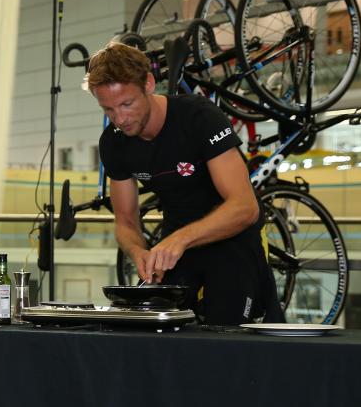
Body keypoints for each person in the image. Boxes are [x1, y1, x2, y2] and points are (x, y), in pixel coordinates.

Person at [86, 40, 280, 325]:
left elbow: (245, 207)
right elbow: (125, 222)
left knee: (226, 337)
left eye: (127, 104)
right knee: (158, 332)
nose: (121, 118)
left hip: (233, 238)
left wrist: (179, 239)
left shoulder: (199, 118)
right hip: (177, 246)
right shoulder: (114, 143)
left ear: (149, 84)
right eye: (109, 110)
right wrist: (137, 251)